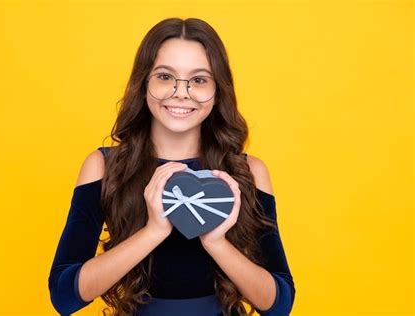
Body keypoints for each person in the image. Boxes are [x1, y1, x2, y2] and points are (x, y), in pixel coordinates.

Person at [48, 17, 295, 316]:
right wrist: (153, 231)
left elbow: (280, 305)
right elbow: (64, 296)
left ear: (218, 92)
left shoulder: (248, 172)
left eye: (199, 80)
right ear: (143, 84)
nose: (181, 92)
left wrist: (216, 242)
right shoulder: (103, 167)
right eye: (165, 76)